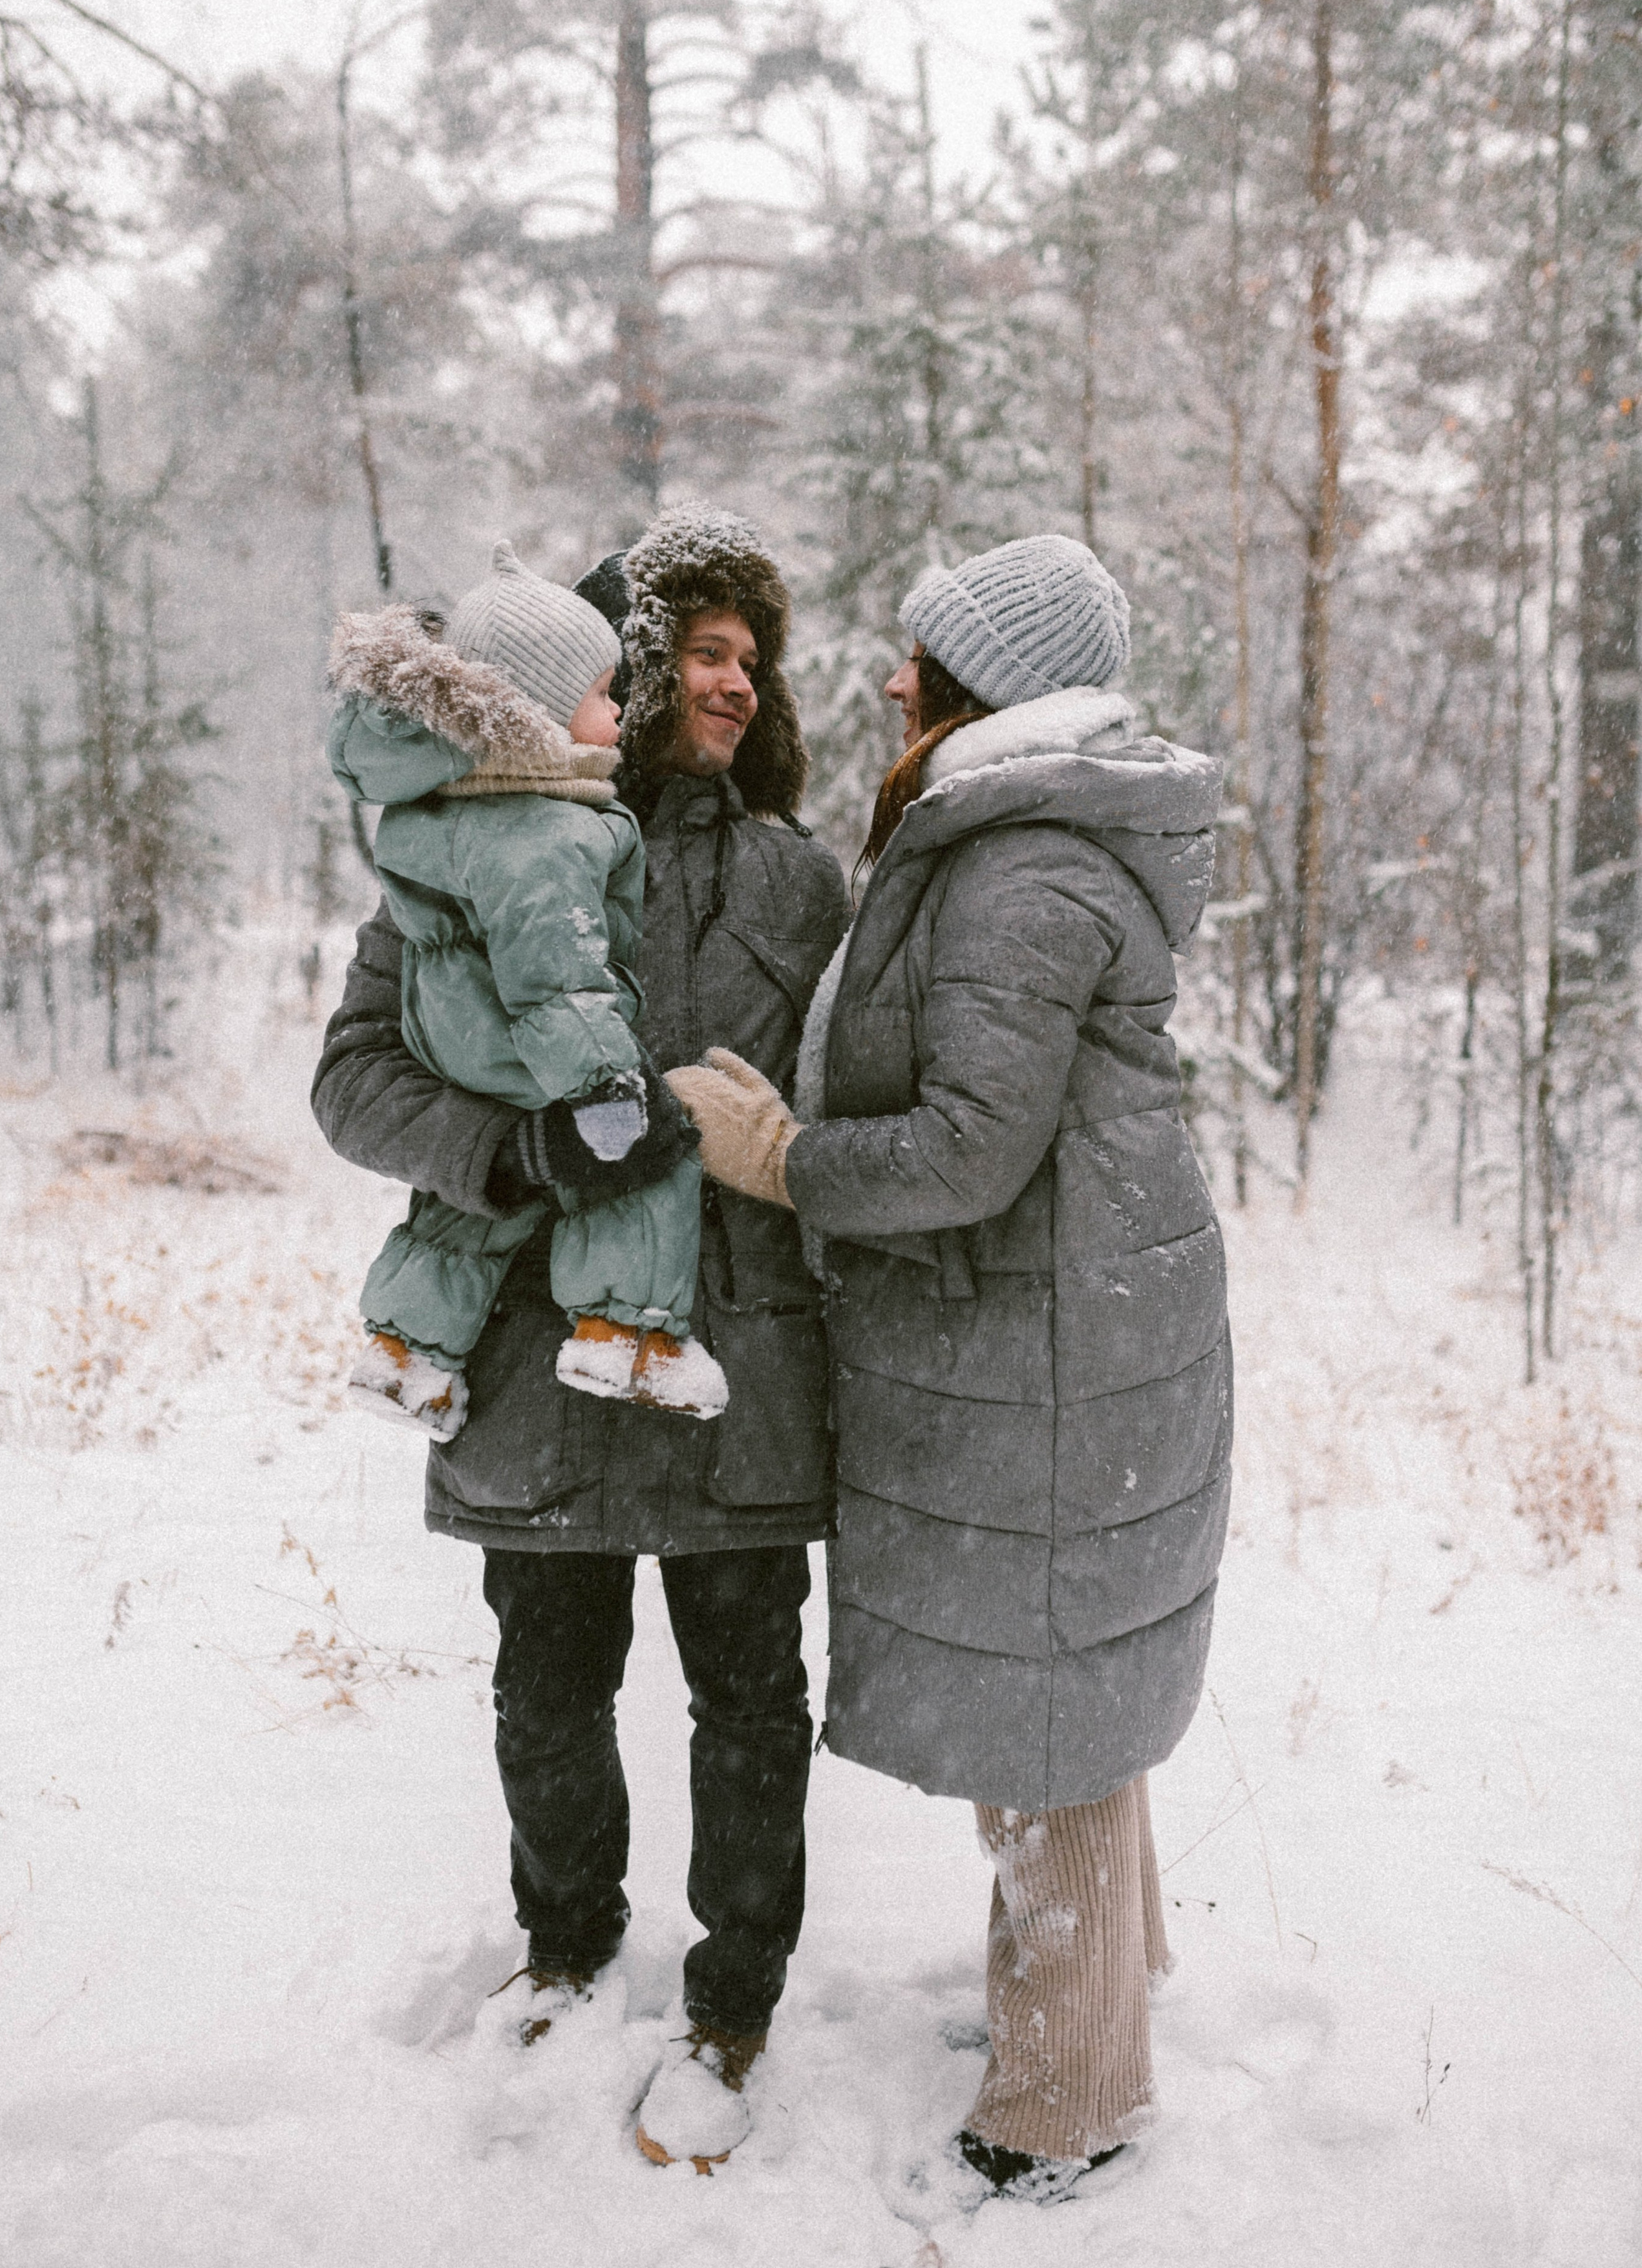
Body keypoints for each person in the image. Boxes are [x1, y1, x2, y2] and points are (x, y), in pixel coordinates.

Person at [670, 533, 1233, 2204]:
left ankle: (1066, 2099)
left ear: (986, 682)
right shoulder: (1006, 845)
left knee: (1050, 1719)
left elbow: (973, 1150)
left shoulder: (1023, 873)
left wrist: (781, 1160)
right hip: (1046, 1337)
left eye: (923, 657)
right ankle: (1109, 1991)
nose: (892, 679)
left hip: (1051, 1349)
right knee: (1062, 1694)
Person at [310, 505, 849, 2171]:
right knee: (549, 1688)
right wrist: (509, 1148)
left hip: (735, 1362)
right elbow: (352, 1079)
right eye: (701, 652)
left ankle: (734, 2000)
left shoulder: (801, 876)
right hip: (540, 1354)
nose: (733, 685)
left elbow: (856, 1110)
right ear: (622, 662)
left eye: (751, 659)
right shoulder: (474, 837)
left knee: (750, 1700)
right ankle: (561, 1953)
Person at [328, 540, 727, 1433]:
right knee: (649, 1160)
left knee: (462, 1216)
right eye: (604, 694)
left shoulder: (459, 808)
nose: (620, 711)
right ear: (542, 710)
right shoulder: (548, 828)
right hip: (529, 1036)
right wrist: (603, 1085)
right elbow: (559, 976)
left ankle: (406, 1350)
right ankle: (628, 1333)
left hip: (468, 1038)